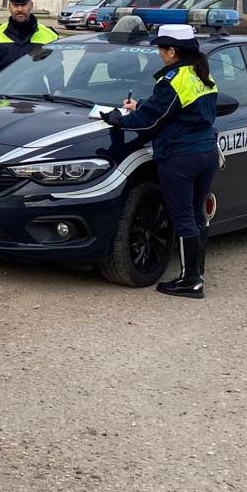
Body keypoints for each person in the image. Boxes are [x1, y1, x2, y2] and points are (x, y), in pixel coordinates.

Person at [101, 23, 218, 299]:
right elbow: (177, 108)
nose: (159, 55)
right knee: (196, 215)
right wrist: (140, 104)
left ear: (172, 51)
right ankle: (196, 275)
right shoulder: (201, 74)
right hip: (206, 153)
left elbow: (150, 119)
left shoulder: (172, 79)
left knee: (184, 217)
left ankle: (191, 282)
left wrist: (119, 119)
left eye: (161, 50)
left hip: (180, 156)